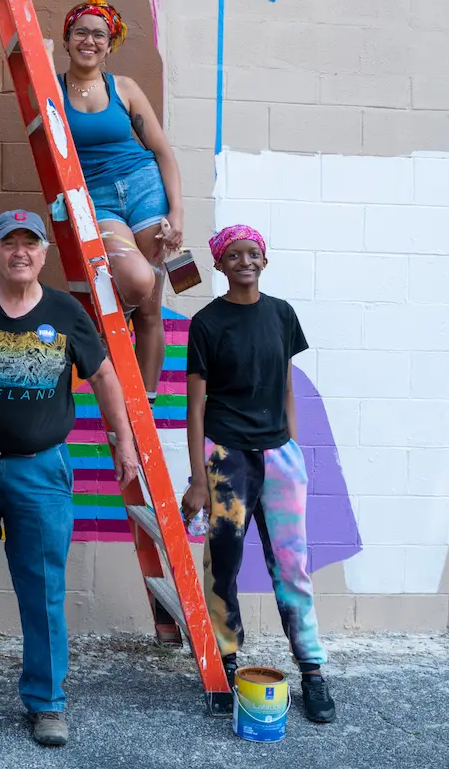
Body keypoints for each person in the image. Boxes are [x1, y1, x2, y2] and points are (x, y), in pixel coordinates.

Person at [0, 210, 140, 746]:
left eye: (31, 243)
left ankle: (47, 701)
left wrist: (124, 442)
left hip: (41, 470)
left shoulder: (65, 310)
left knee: (43, 587)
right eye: (10, 243)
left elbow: (102, 375)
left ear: (44, 254)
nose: (20, 252)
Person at [179, 225, 336, 725]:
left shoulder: (282, 314)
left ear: (264, 260)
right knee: (223, 562)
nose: (245, 261)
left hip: (280, 457)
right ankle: (225, 662)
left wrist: (288, 442)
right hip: (226, 458)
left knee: (292, 565)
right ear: (219, 265)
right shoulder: (207, 322)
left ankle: (311, 671)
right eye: (233, 255)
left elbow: (286, 383)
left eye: (253, 253)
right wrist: (198, 478)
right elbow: (195, 405)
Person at [58, 0, 185, 394]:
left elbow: (162, 151)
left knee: (150, 311)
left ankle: (141, 406)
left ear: (110, 45)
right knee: (135, 280)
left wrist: (178, 212)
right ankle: (108, 331)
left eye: (100, 34)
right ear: (67, 39)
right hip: (99, 201)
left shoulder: (124, 88)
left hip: (147, 190)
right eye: (81, 31)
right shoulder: (53, 88)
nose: (90, 41)